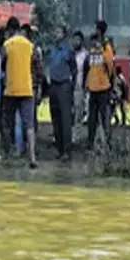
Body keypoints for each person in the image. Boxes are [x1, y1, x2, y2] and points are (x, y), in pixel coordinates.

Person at [2, 20, 37, 167]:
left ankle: (7, 154)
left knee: (7, 124)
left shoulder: (7, 45)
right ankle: (32, 158)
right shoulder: (30, 45)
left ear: (10, 29)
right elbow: (34, 64)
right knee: (28, 125)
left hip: (11, 90)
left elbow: (2, 63)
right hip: (27, 90)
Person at [46, 25, 77, 161]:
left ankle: (67, 150)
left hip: (64, 85)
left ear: (64, 34)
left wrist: (71, 85)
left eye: (58, 32)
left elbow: (74, 68)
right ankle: (59, 149)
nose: (55, 34)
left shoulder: (68, 50)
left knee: (65, 119)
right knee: (55, 118)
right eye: (55, 31)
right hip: (53, 86)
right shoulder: (52, 49)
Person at [84, 21, 115, 148]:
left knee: (104, 117)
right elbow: (89, 66)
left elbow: (110, 65)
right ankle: (90, 141)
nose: (96, 31)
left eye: (97, 29)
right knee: (92, 118)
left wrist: (101, 48)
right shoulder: (92, 48)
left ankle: (107, 141)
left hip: (103, 88)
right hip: (92, 87)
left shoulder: (107, 46)